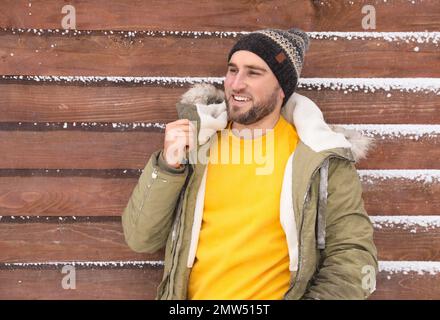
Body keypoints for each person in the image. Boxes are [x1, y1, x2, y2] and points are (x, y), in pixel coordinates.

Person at [122, 28, 378, 300]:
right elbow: (141, 239)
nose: (236, 83)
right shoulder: (198, 143)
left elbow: (354, 256)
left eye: (253, 73)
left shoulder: (319, 157)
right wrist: (167, 168)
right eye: (233, 70)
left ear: (282, 88)